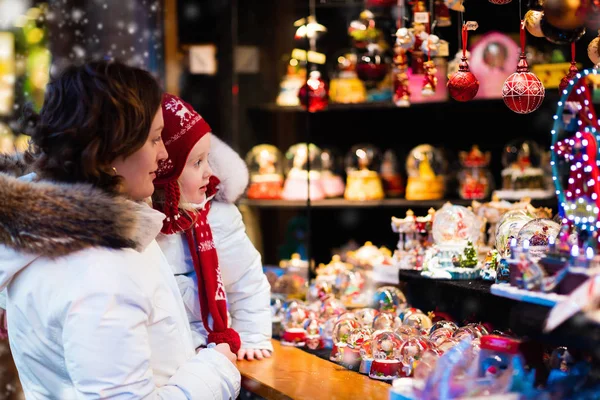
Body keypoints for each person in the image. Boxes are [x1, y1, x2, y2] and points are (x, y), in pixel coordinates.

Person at [0, 60, 240, 398]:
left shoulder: (48, 236)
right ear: (111, 149)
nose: (164, 153)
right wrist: (215, 369)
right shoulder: (99, 269)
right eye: (155, 139)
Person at [152, 94, 273, 361]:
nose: (209, 171)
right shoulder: (145, 227)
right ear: (165, 172)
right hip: (171, 361)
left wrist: (253, 337)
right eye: (196, 163)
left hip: (215, 354)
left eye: (208, 159)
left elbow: (247, 281)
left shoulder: (217, 219)